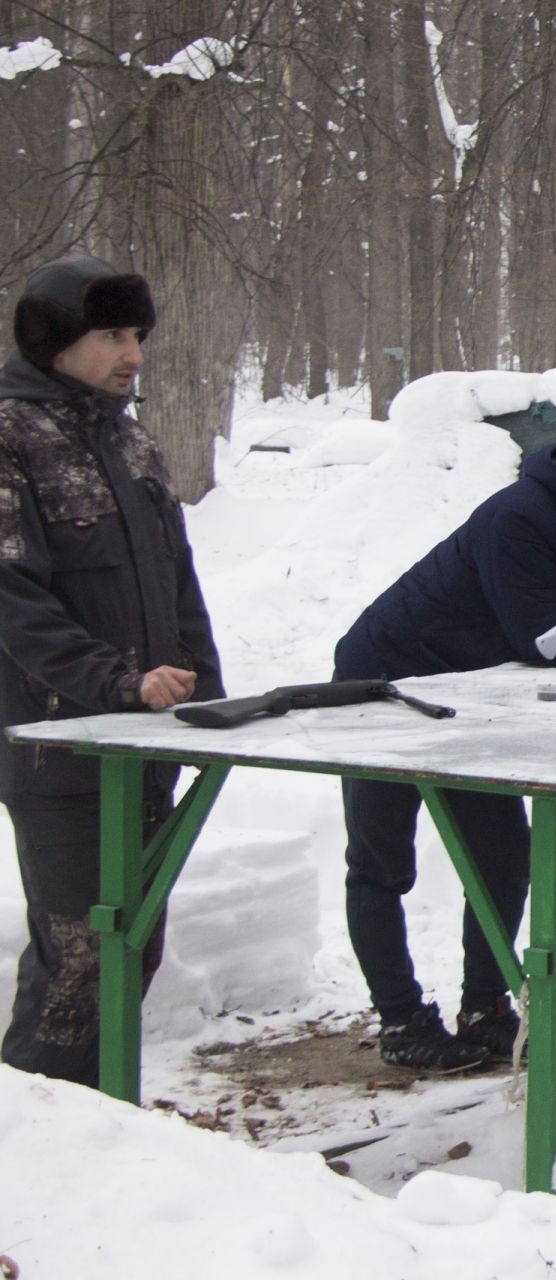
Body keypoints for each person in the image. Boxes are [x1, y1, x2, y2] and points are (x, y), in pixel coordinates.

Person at [333, 417, 556, 1071]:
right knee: (382, 862)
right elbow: (541, 640)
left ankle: (485, 1007)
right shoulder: (520, 517)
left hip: (469, 695)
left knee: (502, 855)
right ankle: (401, 1018)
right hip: (383, 677)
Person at [0, 253, 225, 1087]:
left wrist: (210, 694)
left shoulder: (128, 437)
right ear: (54, 339)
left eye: (137, 334)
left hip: (146, 741)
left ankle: (104, 1124)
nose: (132, 353)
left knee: (135, 941)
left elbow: (177, 577)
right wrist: (115, 680)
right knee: (79, 955)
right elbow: (12, 599)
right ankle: (43, 1129)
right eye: (110, 335)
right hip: (57, 745)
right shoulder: (8, 434)